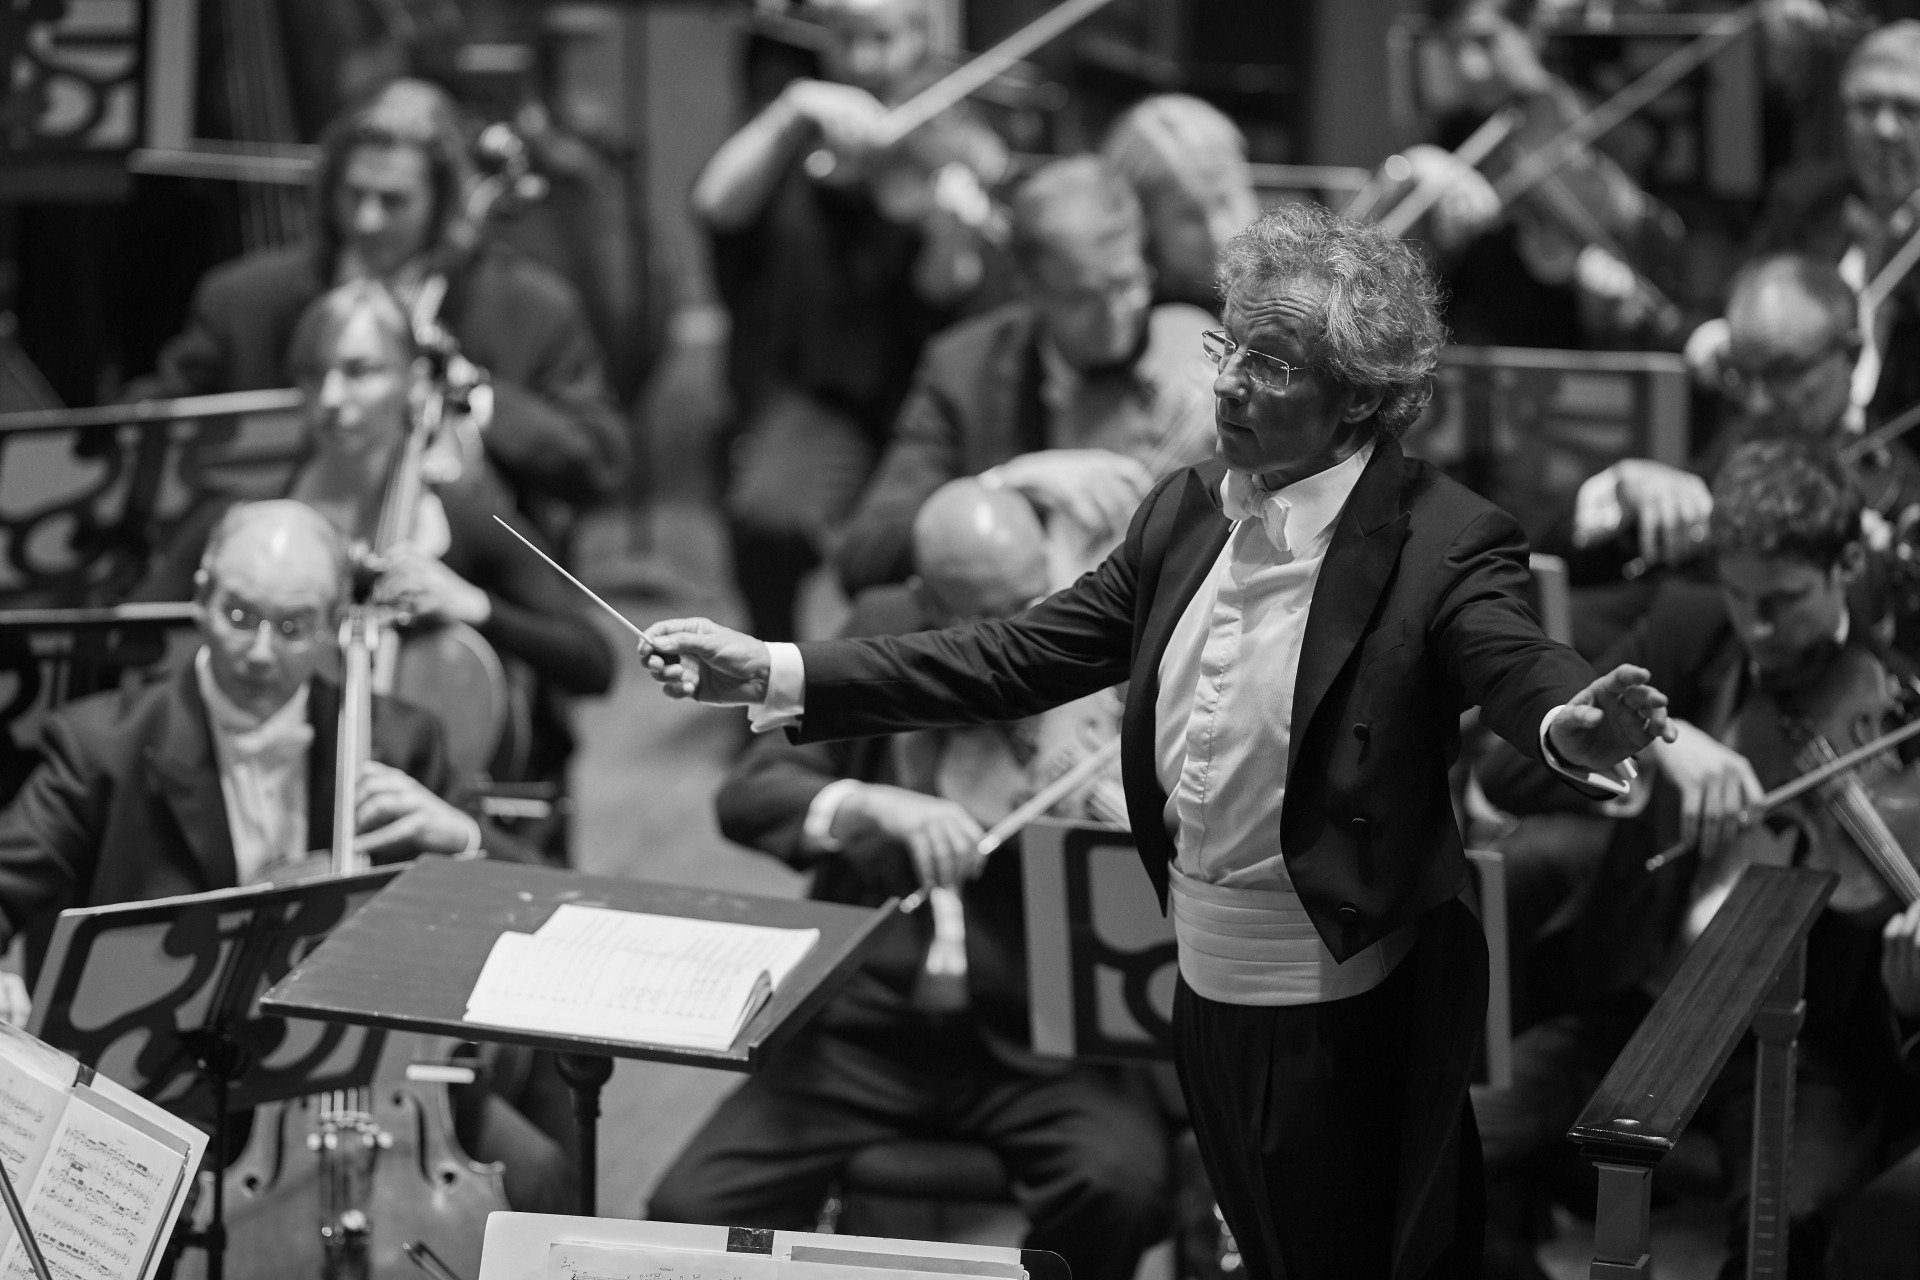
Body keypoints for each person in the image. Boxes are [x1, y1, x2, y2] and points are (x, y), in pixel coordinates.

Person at [637, 203, 1676, 1280]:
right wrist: (770, 667)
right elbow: (1008, 656)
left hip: (1346, 1012)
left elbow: (1507, 653)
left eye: (1268, 365)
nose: (1224, 383)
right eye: (1227, 348)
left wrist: (1566, 719)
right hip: (1201, 988)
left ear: (1359, 395)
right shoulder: (1183, 511)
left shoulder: (1441, 537)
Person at [0, 499, 581, 1214]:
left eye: (293, 627)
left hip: (375, 1082)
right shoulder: (102, 748)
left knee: (544, 1180)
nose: (260, 653)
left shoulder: (398, 741)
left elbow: (549, 909)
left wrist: (461, 837)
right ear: (202, 594)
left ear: (337, 623)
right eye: (240, 616)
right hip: (179, 1095)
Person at [649, 479, 1164, 1280]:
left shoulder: (1091, 644)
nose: (1021, 641)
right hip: (866, 1027)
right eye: (987, 619)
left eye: (1036, 600)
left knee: (1122, 1186)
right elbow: (751, 794)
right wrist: (870, 805)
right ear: (929, 602)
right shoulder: (887, 632)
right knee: (689, 1208)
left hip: (1038, 1040)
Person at [1474, 437, 1920, 1280]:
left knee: (1789, 1233)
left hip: (1798, 1036)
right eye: (1739, 596)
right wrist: (1658, 749)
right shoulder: (1688, 628)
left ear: (1847, 564)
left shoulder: (1898, 701)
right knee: (1451, 1152)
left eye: (1783, 602)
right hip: (1639, 997)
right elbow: (1505, 774)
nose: (1756, 630)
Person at [137, 281, 616, 858]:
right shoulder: (254, 520)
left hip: (426, 835)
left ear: (414, 382)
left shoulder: (460, 515)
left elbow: (595, 662)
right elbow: (135, 643)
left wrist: (476, 608)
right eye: (313, 374)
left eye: (360, 371)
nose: (332, 397)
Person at [143, 78, 627, 542]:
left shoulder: (531, 307)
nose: (367, 219)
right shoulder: (241, 298)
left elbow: (599, 462)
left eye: (393, 201)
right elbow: (148, 432)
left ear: (443, 202)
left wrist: (474, 397)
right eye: (354, 194)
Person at [691, 0, 1009, 641]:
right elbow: (714, 205)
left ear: (921, 37)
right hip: (827, 391)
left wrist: (950, 236)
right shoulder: (801, 124)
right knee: (763, 517)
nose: (864, 62)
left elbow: (947, 294)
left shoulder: (947, 129)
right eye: (846, 40)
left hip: (927, 402)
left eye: (884, 40)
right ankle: (767, 662)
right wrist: (790, 112)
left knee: (923, 548)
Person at [833, 155, 1215, 596]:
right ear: (1031, 292)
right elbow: (865, 553)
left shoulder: (1197, 341)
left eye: (1127, 284)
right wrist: (1005, 485)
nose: (1115, 316)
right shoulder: (963, 367)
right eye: (1080, 299)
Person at [1352, 0, 1690, 350]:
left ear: (1532, 32)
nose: (1471, 67)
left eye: (1487, 41)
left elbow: (1656, 239)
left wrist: (1602, 303)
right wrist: (1424, 171)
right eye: (1454, 47)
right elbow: (1410, 279)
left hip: (1569, 356)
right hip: (1474, 351)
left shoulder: (1608, 126)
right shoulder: (1450, 139)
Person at [1101, 95, 1262, 314]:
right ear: (1142, 220)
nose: (1218, 233)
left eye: (1225, 201)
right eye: (1190, 216)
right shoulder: (1117, 321)